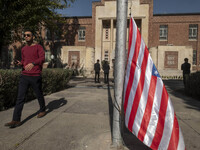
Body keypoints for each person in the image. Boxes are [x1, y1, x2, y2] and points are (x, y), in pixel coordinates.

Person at [5, 29, 46, 128]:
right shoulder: (23, 49)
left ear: (33, 37)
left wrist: (33, 63)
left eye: (28, 35)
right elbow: (24, 61)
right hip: (24, 75)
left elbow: (42, 58)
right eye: (25, 35)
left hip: (35, 75)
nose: (26, 36)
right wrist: (20, 63)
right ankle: (16, 119)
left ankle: (43, 109)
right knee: (20, 97)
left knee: (39, 94)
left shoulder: (38, 47)